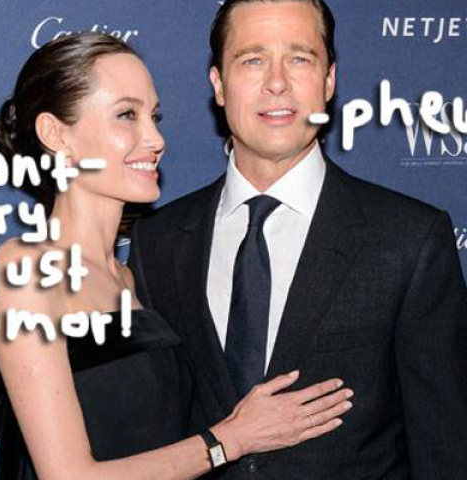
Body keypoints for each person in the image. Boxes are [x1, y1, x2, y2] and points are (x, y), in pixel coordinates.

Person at [0, 32, 354, 480]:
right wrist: (230, 440)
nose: (155, 138)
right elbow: (67, 475)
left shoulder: (134, 275)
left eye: (154, 116)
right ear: (56, 134)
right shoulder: (25, 273)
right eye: (127, 115)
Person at [128, 1, 467, 479]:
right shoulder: (158, 240)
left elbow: (445, 447)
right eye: (252, 60)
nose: (277, 82)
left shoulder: (409, 239)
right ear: (218, 84)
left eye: (299, 59)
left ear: (329, 80)